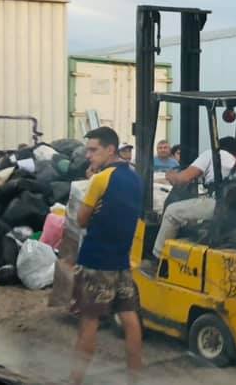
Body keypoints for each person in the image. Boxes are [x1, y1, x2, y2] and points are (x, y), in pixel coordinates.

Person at [70, 126, 143, 385]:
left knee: (89, 322)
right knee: (130, 319)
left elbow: (80, 219)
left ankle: (75, 380)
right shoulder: (135, 178)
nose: (88, 155)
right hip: (121, 261)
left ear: (110, 149)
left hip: (95, 261)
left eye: (93, 150)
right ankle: (134, 379)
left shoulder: (101, 180)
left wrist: (93, 193)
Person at [151, 136, 236, 259]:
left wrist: (170, 175)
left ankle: (157, 257)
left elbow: (182, 179)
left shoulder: (212, 155)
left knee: (171, 212)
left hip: (217, 205)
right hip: (234, 208)